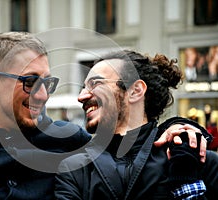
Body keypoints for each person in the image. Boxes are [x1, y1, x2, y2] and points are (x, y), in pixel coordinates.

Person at [0, 32, 208, 199]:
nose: (43, 95)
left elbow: (129, 140)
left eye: (47, 83)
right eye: (30, 82)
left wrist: (178, 127)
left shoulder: (70, 140)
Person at [55, 50, 218, 199]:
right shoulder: (74, 169)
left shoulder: (198, 160)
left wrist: (187, 183)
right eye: (83, 87)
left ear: (135, 91)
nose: (81, 96)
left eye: (95, 83)